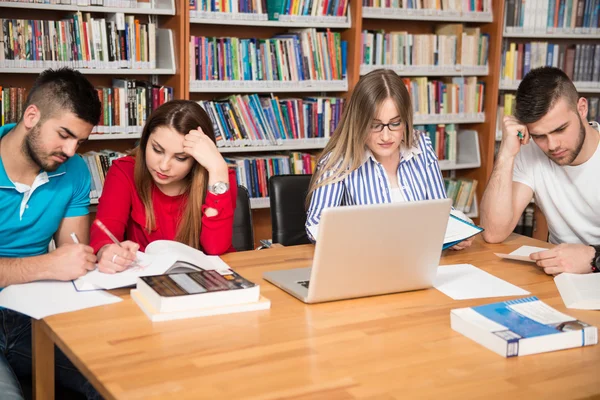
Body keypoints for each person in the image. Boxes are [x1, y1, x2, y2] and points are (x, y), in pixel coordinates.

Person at [0, 68, 102, 399]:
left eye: (80, 141)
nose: (71, 150)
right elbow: (54, 264)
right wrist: (46, 266)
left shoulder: (73, 171)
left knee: (113, 381)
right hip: (28, 298)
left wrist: (98, 260)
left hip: (33, 310)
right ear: (32, 115)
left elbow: (73, 253)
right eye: (64, 134)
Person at [305, 69, 475, 251]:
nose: (386, 136)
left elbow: (441, 211)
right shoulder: (340, 159)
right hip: (367, 264)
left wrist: (460, 229)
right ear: (359, 122)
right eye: (375, 125)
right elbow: (316, 227)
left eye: (395, 124)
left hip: (421, 259)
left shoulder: (421, 146)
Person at [90, 100, 237, 273]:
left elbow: (215, 248)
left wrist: (218, 170)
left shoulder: (218, 179)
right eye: (157, 150)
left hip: (205, 284)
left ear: (197, 159)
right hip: (145, 281)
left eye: (180, 158)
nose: (164, 166)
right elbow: (104, 234)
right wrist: (107, 251)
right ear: (145, 142)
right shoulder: (124, 171)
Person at [480, 66, 600, 275]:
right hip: (559, 274)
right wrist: (507, 153)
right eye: (539, 135)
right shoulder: (531, 152)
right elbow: (493, 232)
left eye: (560, 129)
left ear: (582, 109)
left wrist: (593, 258)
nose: (552, 145)